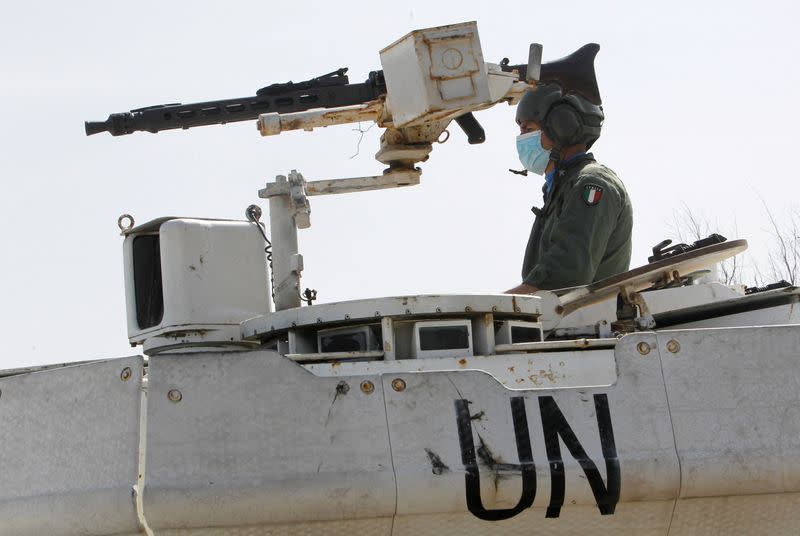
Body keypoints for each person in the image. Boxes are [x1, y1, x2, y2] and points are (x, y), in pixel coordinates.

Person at [505, 44, 633, 294]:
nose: (521, 139)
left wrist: (491, 307)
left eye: (528, 130)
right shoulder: (561, 188)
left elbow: (563, 277)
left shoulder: (592, 184)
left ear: (562, 127)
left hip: (582, 324)